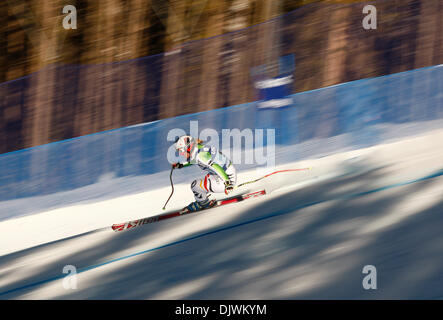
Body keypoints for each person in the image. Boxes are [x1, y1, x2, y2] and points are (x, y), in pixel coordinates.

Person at [172, 135, 237, 212]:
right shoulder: (198, 149)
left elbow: (215, 166)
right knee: (205, 180)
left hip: (227, 178)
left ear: (188, 148)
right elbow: (195, 160)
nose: (181, 154)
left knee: (195, 186)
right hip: (227, 174)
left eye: (181, 151)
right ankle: (202, 200)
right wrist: (181, 165)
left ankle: (203, 204)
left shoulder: (200, 156)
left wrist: (227, 183)